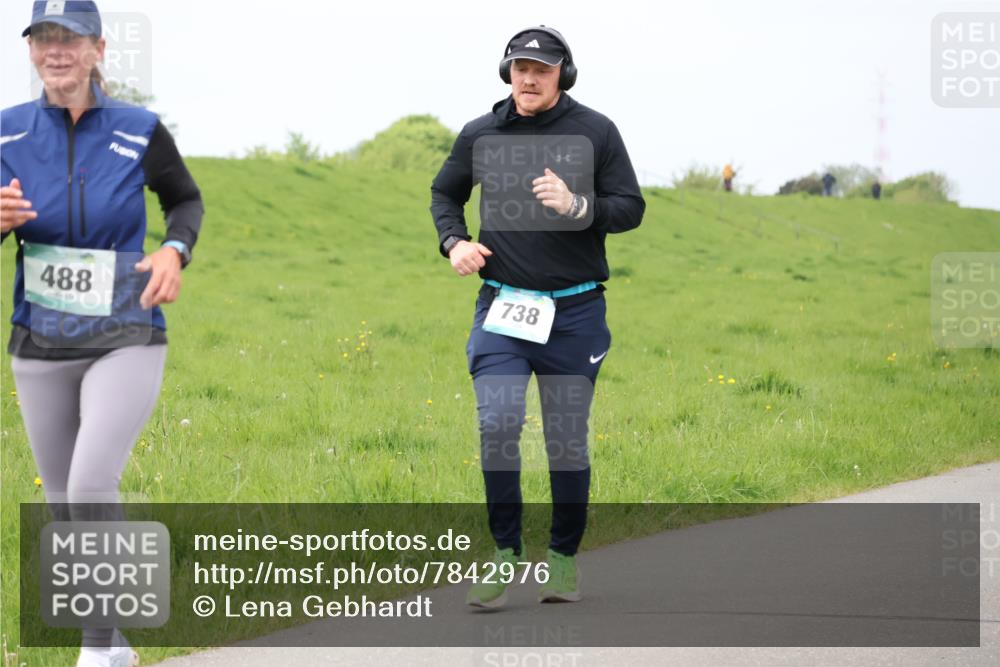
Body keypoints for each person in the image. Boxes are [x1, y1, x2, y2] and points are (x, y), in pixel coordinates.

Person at [1, 3, 203, 665]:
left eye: (70, 38)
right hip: (39, 337)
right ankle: (115, 637)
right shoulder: (5, 133)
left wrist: (174, 248)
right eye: (43, 37)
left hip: (126, 329)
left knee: (91, 483)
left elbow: (185, 200)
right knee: (63, 501)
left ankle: (96, 651)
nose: (55, 50)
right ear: (31, 48)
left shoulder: (139, 128)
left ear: (98, 48)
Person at [431, 25, 644, 607]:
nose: (529, 77)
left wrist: (579, 205)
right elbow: (445, 194)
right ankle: (504, 553)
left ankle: (563, 558)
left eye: (541, 69)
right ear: (508, 73)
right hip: (503, 307)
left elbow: (631, 208)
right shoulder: (481, 133)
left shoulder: (596, 132)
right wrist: (455, 242)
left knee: (565, 440)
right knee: (498, 426)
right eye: (520, 67)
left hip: (575, 312)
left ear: (562, 76)